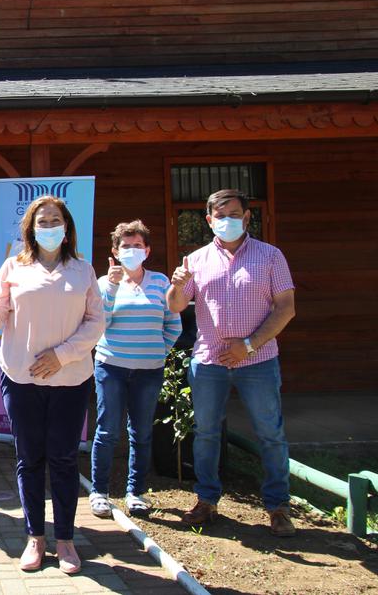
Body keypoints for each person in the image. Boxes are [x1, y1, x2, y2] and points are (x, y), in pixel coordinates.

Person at [0, 195, 104, 573]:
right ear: (31, 228)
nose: (49, 227)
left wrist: (63, 354)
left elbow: (96, 323)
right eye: (42, 221)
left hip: (70, 379)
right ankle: (34, 538)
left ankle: (66, 541)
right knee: (29, 460)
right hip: (22, 379)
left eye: (55, 220)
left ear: (67, 227)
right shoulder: (14, 266)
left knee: (61, 459)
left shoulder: (82, 270)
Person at [167, 189, 297, 537]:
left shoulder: (270, 256)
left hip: (258, 361)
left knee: (270, 433)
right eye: (220, 215)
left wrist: (249, 345)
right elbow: (177, 306)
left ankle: (278, 506)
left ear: (247, 217)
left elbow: (286, 308)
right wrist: (175, 287)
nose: (228, 220)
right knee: (206, 433)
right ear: (208, 220)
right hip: (209, 361)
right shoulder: (195, 260)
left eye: (235, 213)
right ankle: (207, 501)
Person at [89, 221, 182, 518]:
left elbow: (174, 325)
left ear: (148, 250)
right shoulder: (104, 284)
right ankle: (99, 491)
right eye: (125, 246)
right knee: (107, 432)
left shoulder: (160, 282)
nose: (131, 251)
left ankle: (136, 492)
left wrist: (158, 352)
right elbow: (99, 325)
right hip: (111, 368)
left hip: (149, 371)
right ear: (115, 251)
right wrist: (113, 288)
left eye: (137, 246)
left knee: (141, 433)